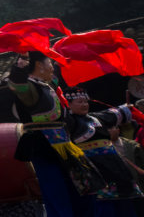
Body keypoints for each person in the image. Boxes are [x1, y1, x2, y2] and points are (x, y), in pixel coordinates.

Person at [7, 53, 104, 217]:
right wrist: (19, 67)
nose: (52, 66)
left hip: (65, 145)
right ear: (39, 65)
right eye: (50, 62)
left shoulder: (47, 85)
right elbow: (17, 85)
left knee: (82, 191)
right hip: (44, 145)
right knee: (57, 194)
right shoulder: (30, 87)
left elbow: (56, 76)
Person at [63, 87, 143, 216]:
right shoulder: (68, 122)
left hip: (115, 166)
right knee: (102, 205)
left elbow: (113, 114)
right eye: (80, 102)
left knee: (126, 202)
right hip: (93, 167)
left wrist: (127, 108)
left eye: (86, 101)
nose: (84, 105)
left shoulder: (96, 118)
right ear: (68, 105)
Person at [109, 125, 144, 216]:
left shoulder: (132, 146)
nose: (109, 131)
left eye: (112, 127)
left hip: (136, 186)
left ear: (118, 129)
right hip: (115, 190)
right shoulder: (101, 148)